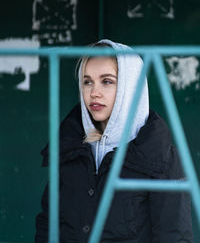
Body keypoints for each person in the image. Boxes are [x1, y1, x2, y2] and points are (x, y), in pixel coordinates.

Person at [35, 39, 193, 242]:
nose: (94, 92)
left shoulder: (161, 158)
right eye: (87, 81)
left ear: (130, 86)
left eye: (107, 81)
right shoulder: (69, 147)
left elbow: (174, 236)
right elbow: (47, 226)